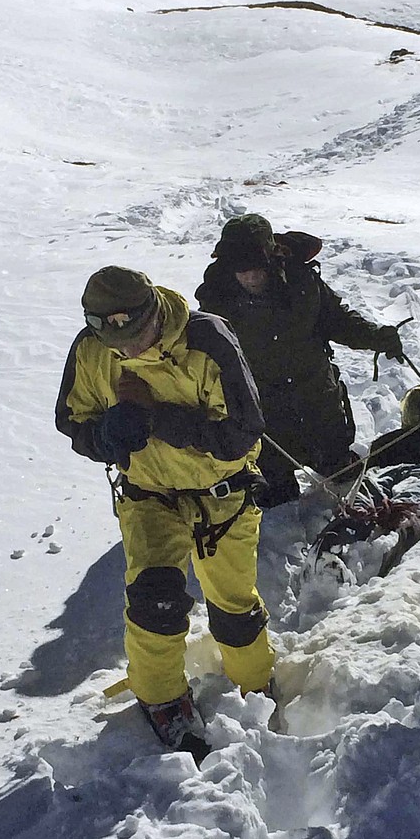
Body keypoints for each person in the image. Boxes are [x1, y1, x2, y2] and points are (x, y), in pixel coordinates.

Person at [55, 265, 275, 750]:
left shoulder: (207, 340)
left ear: (155, 311)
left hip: (223, 498)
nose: (127, 351)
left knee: (233, 606)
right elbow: (72, 422)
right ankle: (161, 699)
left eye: (137, 335)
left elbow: (240, 434)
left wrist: (154, 418)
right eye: (115, 340)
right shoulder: (91, 350)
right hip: (149, 496)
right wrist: (110, 435)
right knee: (155, 600)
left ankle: (255, 681)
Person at [195, 214, 406, 507]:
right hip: (264, 413)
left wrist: (375, 336)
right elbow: (203, 360)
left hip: (318, 396)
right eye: (242, 271)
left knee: (342, 471)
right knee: (276, 496)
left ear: (271, 258)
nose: (251, 277)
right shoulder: (216, 301)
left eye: (257, 268)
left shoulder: (301, 281)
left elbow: (337, 319)